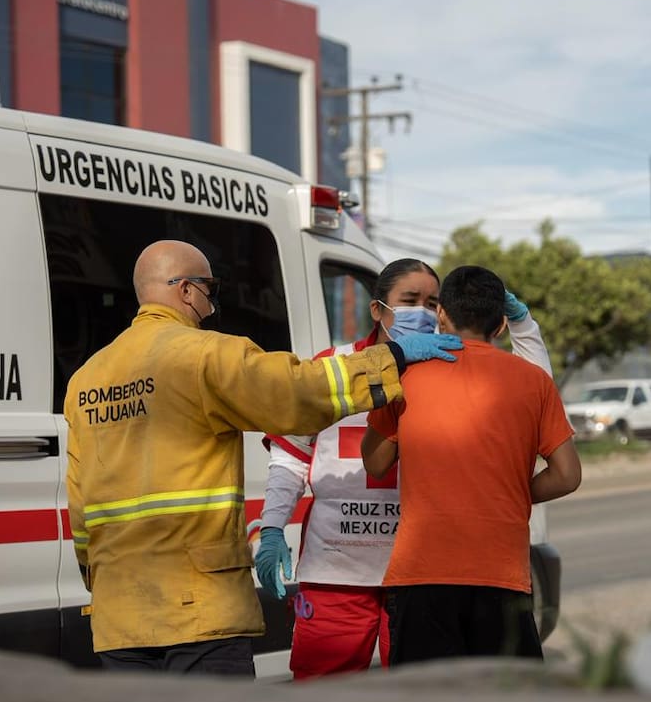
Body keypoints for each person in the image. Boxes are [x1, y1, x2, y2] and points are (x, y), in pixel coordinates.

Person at [63, 240, 462, 676]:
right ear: (185, 290)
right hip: (197, 608)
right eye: (209, 288)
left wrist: (97, 579)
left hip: (120, 612)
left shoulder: (87, 380)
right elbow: (297, 391)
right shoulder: (205, 355)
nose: (211, 300)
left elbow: (80, 504)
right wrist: (394, 358)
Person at [254, 258, 553, 679]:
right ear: (378, 309)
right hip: (337, 572)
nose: (424, 312)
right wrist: (271, 528)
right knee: (323, 698)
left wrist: (522, 325)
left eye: (433, 302)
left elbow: (531, 392)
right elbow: (290, 455)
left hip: (417, 576)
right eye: (410, 300)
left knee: (419, 701)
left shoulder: (443, 366)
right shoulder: (334, 366)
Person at [362, 265, 582, 665]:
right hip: (503, 577)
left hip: (421, 575)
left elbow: (375, 463)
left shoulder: (408, 374)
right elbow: (568, 475)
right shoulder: (535, 382)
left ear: (441, 314)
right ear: (500, 324)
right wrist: (515, 490)